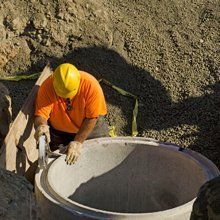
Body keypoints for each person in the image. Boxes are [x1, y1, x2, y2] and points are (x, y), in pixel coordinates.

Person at [34, 63, 108, 165]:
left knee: (101, 154)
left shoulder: (91, 85)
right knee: (57, 163)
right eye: (62, 94)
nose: (66, 98)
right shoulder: (47, 87)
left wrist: (78, 141)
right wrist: (41, 126)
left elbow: (91, 118)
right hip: (60, 132)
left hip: (90, 127)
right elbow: (41, 114)